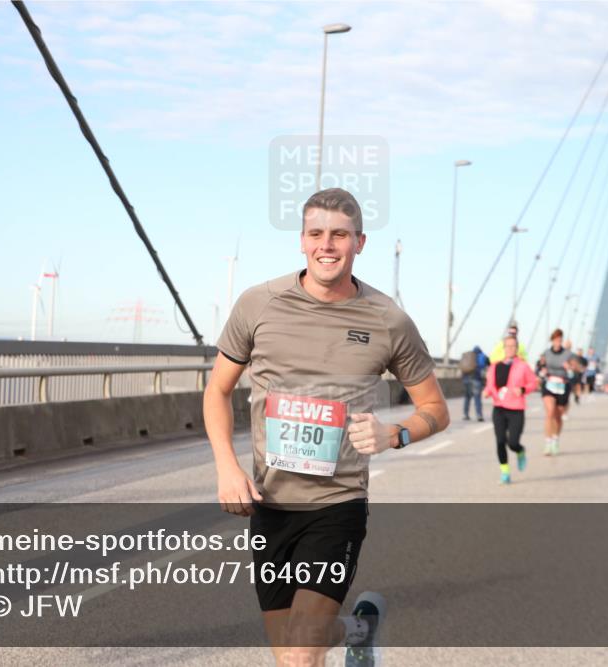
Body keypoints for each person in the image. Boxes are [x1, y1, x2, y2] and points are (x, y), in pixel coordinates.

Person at [203, 188, 450, 667]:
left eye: (340, 235)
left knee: (300, 655)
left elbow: (436, 409)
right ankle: (358, 630)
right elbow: (216, 392)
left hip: (337, 505)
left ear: (360, 242)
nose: (327, 245)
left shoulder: (389, 321)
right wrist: (226, 468)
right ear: (301, 240)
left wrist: (394, 434)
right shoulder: (258, 304)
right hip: (270, 507)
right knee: (292, 651)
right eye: (317, 233)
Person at [483, 335, 538, 484]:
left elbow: (534, 383)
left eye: (513, 346)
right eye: (507, 346)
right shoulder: (495, 366)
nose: (510, 349)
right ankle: (505, 472)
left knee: (512, 442)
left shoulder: (523, 366)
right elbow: (490, 385)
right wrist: (487, 392)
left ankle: (520, 451)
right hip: (499, 408)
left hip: (516, 409)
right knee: (500, 441)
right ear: (503, 348)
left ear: (517, 348)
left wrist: (523, 389)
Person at [538, 329, 573, 456]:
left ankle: (555, 439)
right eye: (556, 340)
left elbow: (575, 369)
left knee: (558, 416)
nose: (558, 342)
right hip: (549, 384)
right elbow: (540, 365)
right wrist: (542, 370)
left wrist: (569, 368)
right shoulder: (546, 353)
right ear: (552, 340)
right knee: (550, 412)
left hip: (563, 385)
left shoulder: (568, 354)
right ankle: (547, 443)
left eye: (560, 340)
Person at [460, 345, 489, 421]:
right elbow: (489, 364)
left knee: (467, 397)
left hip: (466, 379)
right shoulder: (482, 356)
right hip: (476, 379)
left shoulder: (468, 356)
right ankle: (479, 415)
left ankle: (465, 414)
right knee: (477, 398)